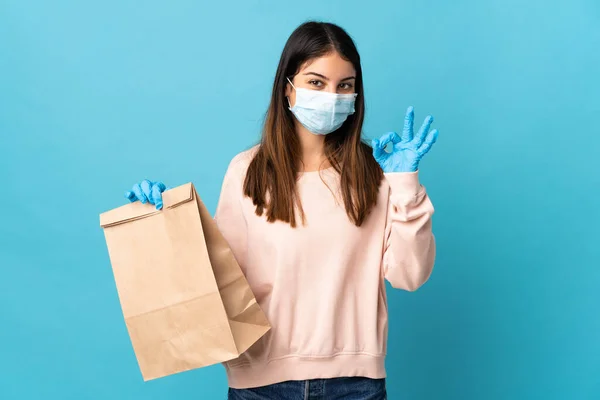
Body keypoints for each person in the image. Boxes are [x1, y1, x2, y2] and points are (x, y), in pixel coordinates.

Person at [125, 21, 438, 400]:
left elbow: (411, 275)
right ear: (287, 88)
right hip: (260, 386)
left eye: (345, 85)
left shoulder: (374, 173)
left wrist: (405, 183)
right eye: (316, 82)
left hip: (355, 385)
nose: (332, 96)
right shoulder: (246, 172)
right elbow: (221, 281)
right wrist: (167, 221)